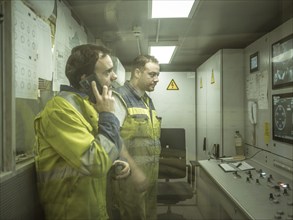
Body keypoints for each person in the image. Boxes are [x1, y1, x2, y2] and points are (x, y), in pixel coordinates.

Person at [34, 44, 131, 220]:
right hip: (71, 213)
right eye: (107, 72)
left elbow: (95, 150)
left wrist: (114, 162)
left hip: (93, 209)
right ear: (86, 79)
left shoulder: (89, 105)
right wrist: (108, 115)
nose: (114, 76)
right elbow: (95, 163)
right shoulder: (60, 110)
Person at [112, 54, 162, 220]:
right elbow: (112, 139)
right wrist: (135, 172)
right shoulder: (119, 98)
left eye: (158, 75)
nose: (156, 79)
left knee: (148, 215)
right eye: (152, 74)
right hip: (129, 179)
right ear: (137, 73)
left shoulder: (147, 101)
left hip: (149, 176)